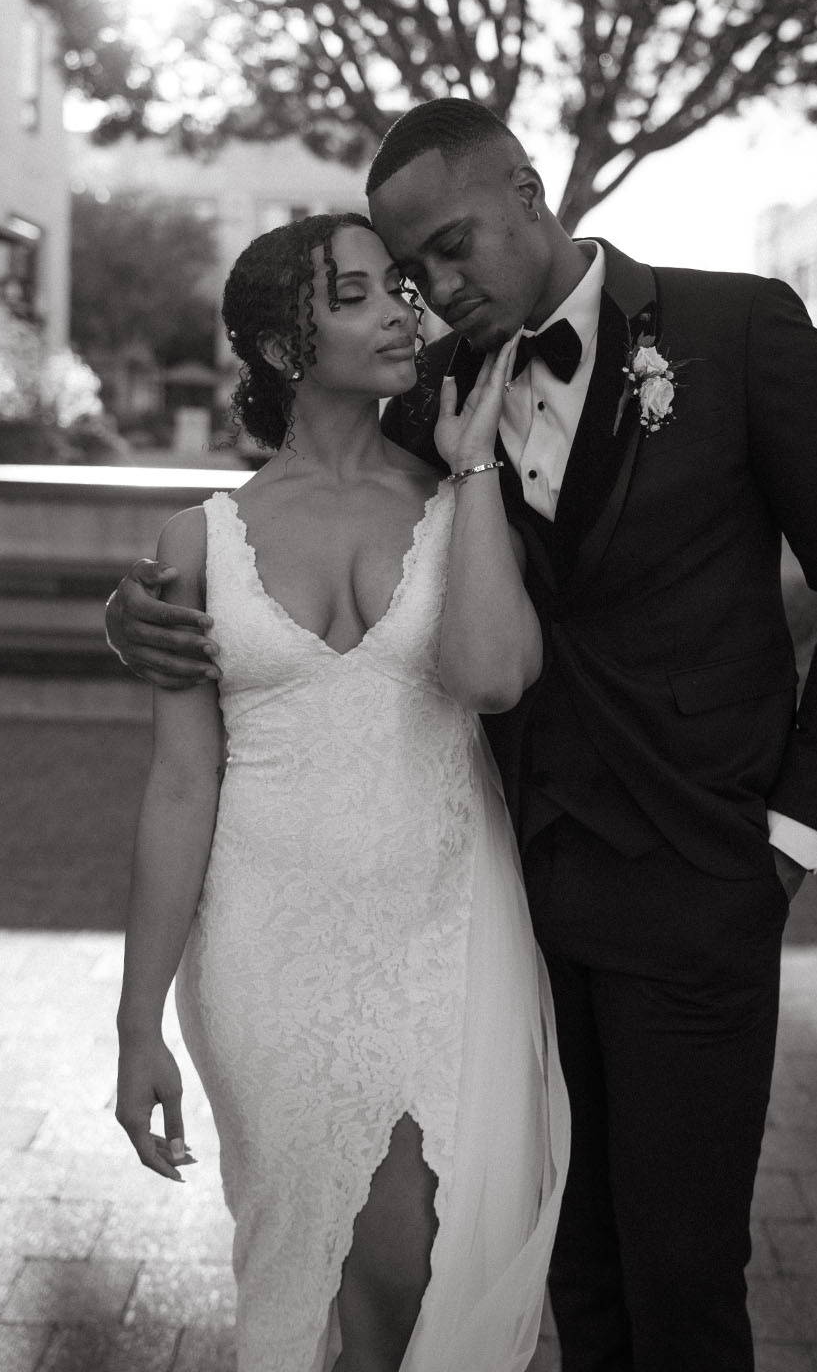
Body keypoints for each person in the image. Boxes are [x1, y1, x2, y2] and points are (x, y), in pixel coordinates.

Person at [108, 101, 817, 1372]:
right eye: (403, 267)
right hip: (517, 902)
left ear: (530, 193)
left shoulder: (736, 329)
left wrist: (794, 828)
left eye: (446, 247)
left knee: (683, 1277)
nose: (428, 289)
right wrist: (138, 614)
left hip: (696, 874)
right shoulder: (425, 389)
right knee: (570, 1271)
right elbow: (289, 516)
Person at [113, 211, 570, 1372]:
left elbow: (497, 675)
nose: (402, 313)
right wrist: (137, 1020)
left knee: (413, 1262)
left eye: (399, 292)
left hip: (442, 929)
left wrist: (470, 472)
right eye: (360, 294)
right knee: (316, 1267)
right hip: (263, 951)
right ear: (282, 345)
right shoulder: (195, 539)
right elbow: (178, 789)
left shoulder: (460, 487)